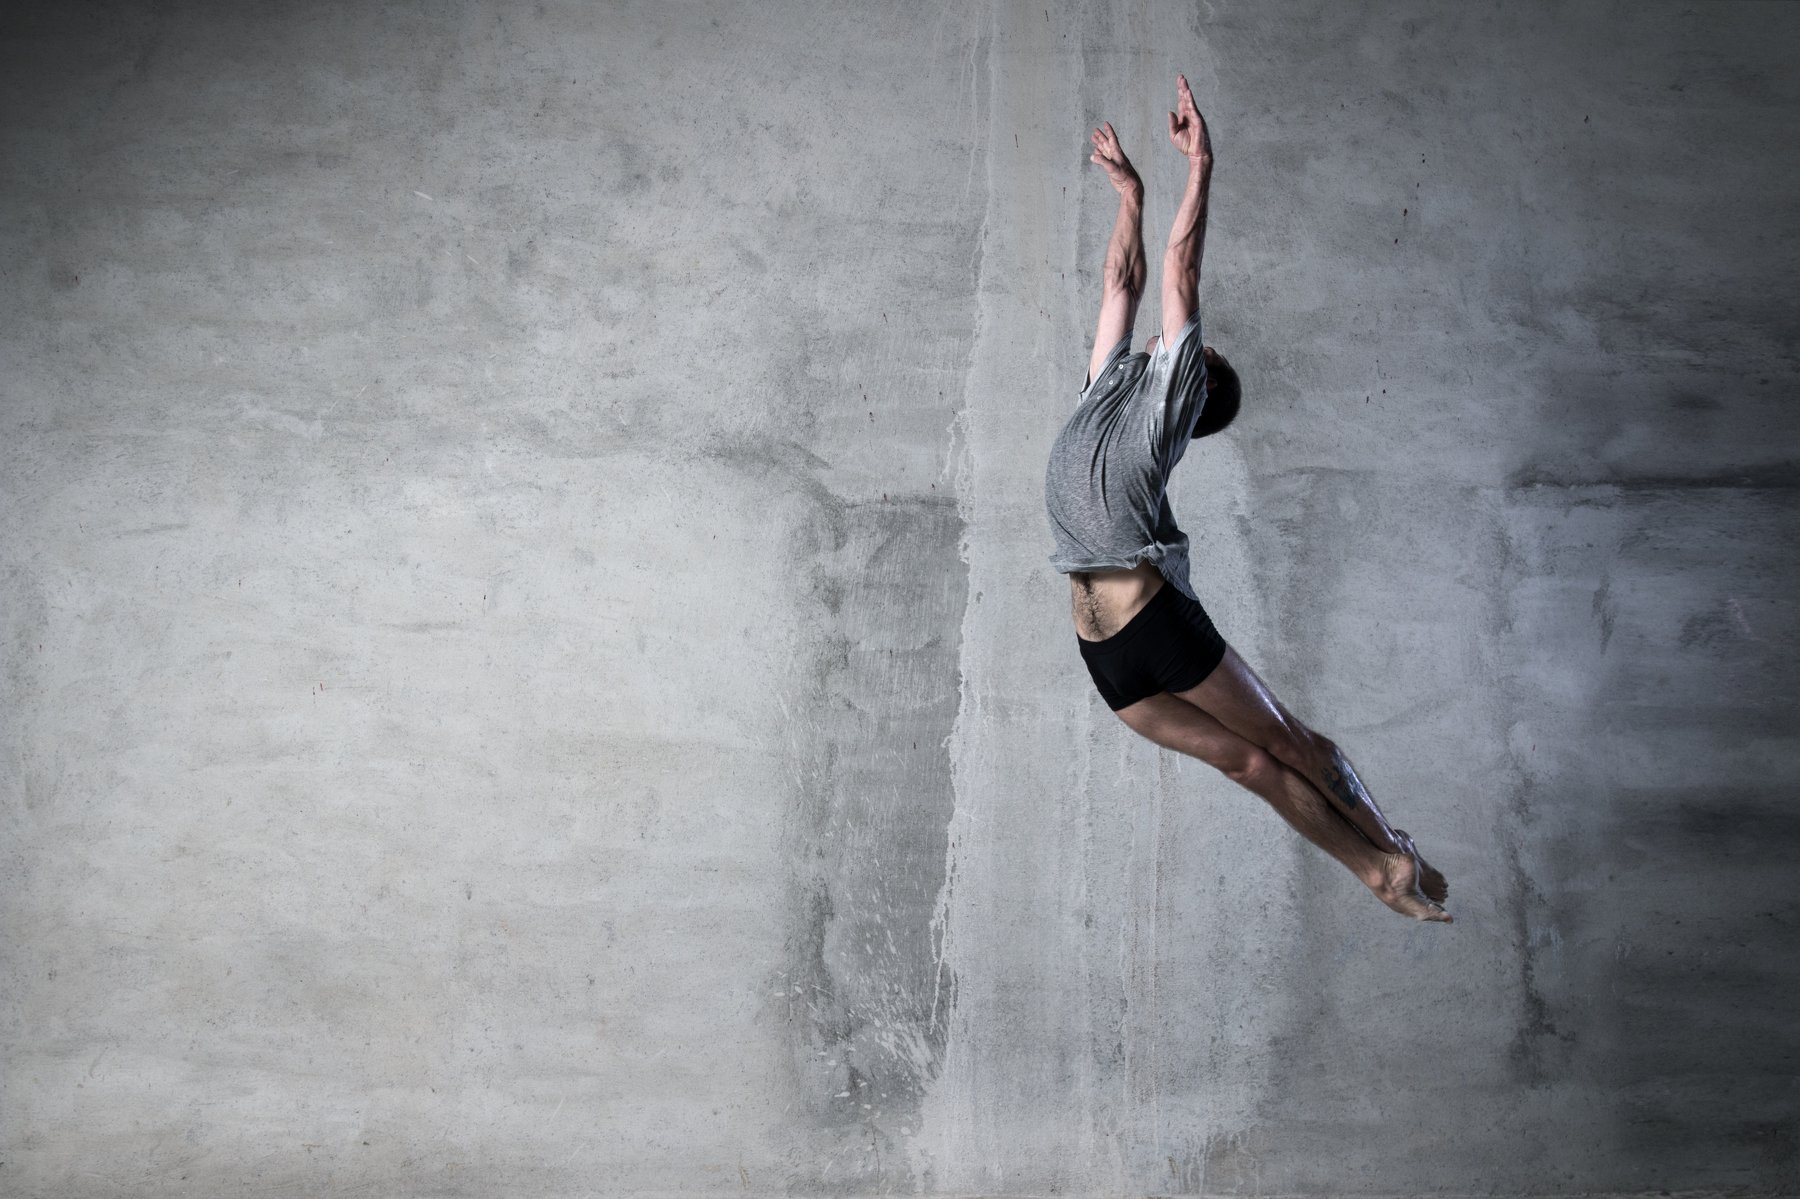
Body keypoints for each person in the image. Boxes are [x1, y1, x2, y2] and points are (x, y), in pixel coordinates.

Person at [1044, 75, 1452, 923]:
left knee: (1286, 739)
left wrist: (1200, 168)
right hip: (1106, 656)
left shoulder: (1171, 397)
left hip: (1152, 621)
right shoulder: (1106, 388)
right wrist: (1130, 194)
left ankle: (1395, 847)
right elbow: (1122, 280)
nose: (1169, 336)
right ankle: (1378, 869)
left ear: (1195, 381)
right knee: (1252, 764)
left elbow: (1178, 269)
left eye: (1189, 346)